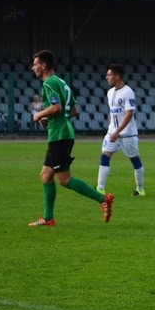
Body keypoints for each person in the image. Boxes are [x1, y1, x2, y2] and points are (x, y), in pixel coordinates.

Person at [29, 50, 114, 227]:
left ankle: (103, 199)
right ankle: (48, 218)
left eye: (35, 64)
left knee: (64, 179)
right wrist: (50, 119)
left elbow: (57, 107)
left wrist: (39, 115)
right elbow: (73, 111)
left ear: (43, 65)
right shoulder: (61, 82)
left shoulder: (49, 83)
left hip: (59, 136)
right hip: (62, 133)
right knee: (46, 176)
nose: (33, 67)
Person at [96, 64, 145, 197]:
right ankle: (100, 189)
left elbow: (129, 114)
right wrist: (111, 128)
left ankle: (140, 189)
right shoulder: (110, 92)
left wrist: (117, 131)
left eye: (109, 75)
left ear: (117, 77)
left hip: (127, 134)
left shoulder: (128, 92)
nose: (107, 77)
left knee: (134, 159)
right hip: (112, 132)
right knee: (105, 155)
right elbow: (112, 112)